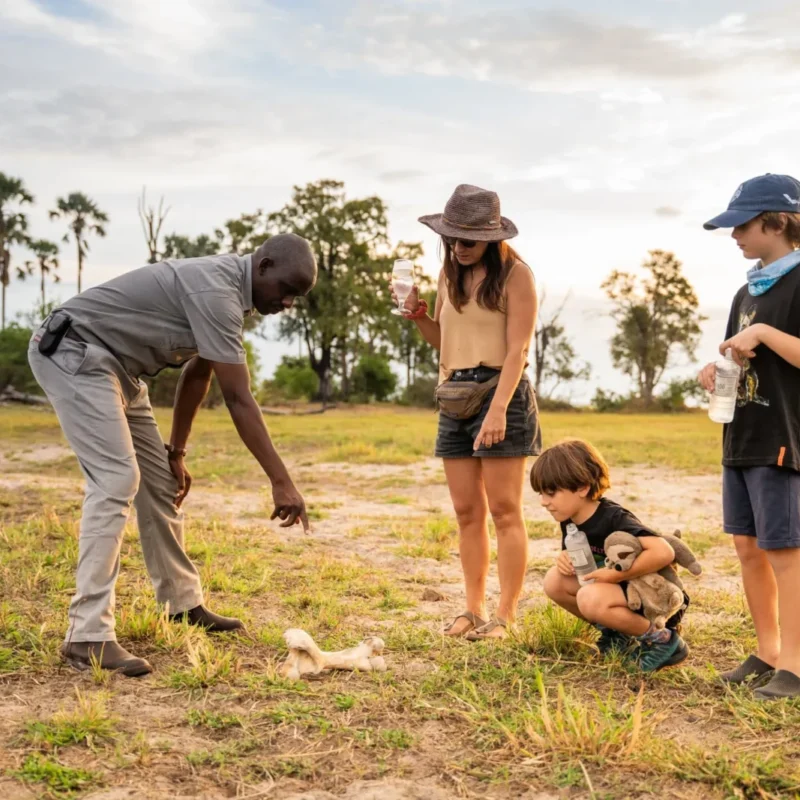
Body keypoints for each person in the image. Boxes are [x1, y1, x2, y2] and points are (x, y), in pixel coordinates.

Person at [28, 233, 317, 677]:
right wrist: (281, 481)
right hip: (77, 351)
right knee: (116, 480)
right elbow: (238, 398)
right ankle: (86, 636)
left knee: (160, 482)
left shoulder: (233, 298)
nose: (288, 303)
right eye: (287, 290)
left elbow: (197, 375)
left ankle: (182, 604)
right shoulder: (217, 291)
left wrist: (176, 451)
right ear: (263, 267)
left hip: (122, 369)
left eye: (297, 297)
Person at [395, 184, 541, 640]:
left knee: (504, 510)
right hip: (454, 394)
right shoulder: (448, 274)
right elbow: (447, 344)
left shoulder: (517, 276)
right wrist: (418, 315)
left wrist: (498, 411)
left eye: (468, 241)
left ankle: (506, 616)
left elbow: (517, 350)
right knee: (465, 512)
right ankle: (472, 609)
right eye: (451, 239)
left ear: (492, 239)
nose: (458, 248)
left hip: (502, 392)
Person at [697, 173, 800, 699]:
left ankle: (797, 666)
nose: (734, 235)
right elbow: (741, 355)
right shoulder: (747, 290)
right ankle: (768, 652)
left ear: (777, 222)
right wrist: (715, 370)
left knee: (785, 549)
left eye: (742, 225)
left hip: (785, 433)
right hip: (743, 433)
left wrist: (760, 333)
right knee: (747, 545)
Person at [532, 439, 689, 672]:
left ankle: (664, 640)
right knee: (554, 581)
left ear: (583, 488)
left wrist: (614, 576)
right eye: (541, 494)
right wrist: (565, 557)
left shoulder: (613, 518)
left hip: (652, 597)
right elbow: (579, 552)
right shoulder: (570, 518)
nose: (544, 502)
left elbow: (664, 551)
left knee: (589, 597)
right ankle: (619, 633)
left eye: (552, 493)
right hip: (619, 594)